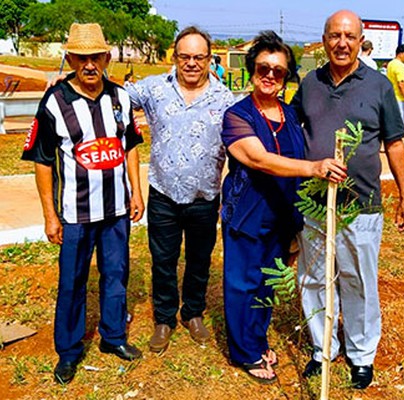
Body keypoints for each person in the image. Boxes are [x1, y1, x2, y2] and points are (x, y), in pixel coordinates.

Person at [292, 9, 404, 390]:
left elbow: (394, 144)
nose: (341, 43)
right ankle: (322, 347)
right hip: (314, 204)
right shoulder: (309, 83)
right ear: (324, 40)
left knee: (358, 280)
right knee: (313, 278)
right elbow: (294, 130)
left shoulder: (378, 85)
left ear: (361, 41)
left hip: (361, 206)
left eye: (349, 36)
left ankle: (361, 355)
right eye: (334, 36)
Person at [220, 31, 346, 384]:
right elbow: (259, 159)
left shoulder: (290, 114)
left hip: (282, 214)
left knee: (268, 283)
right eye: (264, 67)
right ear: (251, 69)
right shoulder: (237, 115)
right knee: (243, 284)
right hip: (247, 216)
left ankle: (257, 340)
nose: (271, 75)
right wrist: (314, 167)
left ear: (287, 75)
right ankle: (245, 352)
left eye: (279, 70)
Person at [21, 23, 144, 384]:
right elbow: (42, 160)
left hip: (117, 210)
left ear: (106, 58)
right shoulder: (55, 103)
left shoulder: (121, 98)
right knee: (72, 282)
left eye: (96, 57)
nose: (90, 65)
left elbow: (131, 147)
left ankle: (113, 337)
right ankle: (70, 351)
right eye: (82, 58)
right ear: (71, 59)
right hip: (75, 214)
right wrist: (49, 215)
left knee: (116, 276)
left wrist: (136, 192)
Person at [125, 27, 235, 352]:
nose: (191, 63)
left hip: (204, 197)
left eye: (198, 57)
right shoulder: (153, 89)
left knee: (199, 259)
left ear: (209, 59)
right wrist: (63, 85)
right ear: (174, 57)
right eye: (184, 57)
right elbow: (113, 98)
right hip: (163, 194)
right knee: (163, 259)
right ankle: (164, 319)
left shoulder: (225, 99)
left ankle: (193, 312)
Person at [387, 43, 404, 123]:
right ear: (401, 53)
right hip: (399, 99)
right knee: (399, 123)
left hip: (391, 97)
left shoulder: (391, 64)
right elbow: (401, 84)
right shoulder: (400, 66)